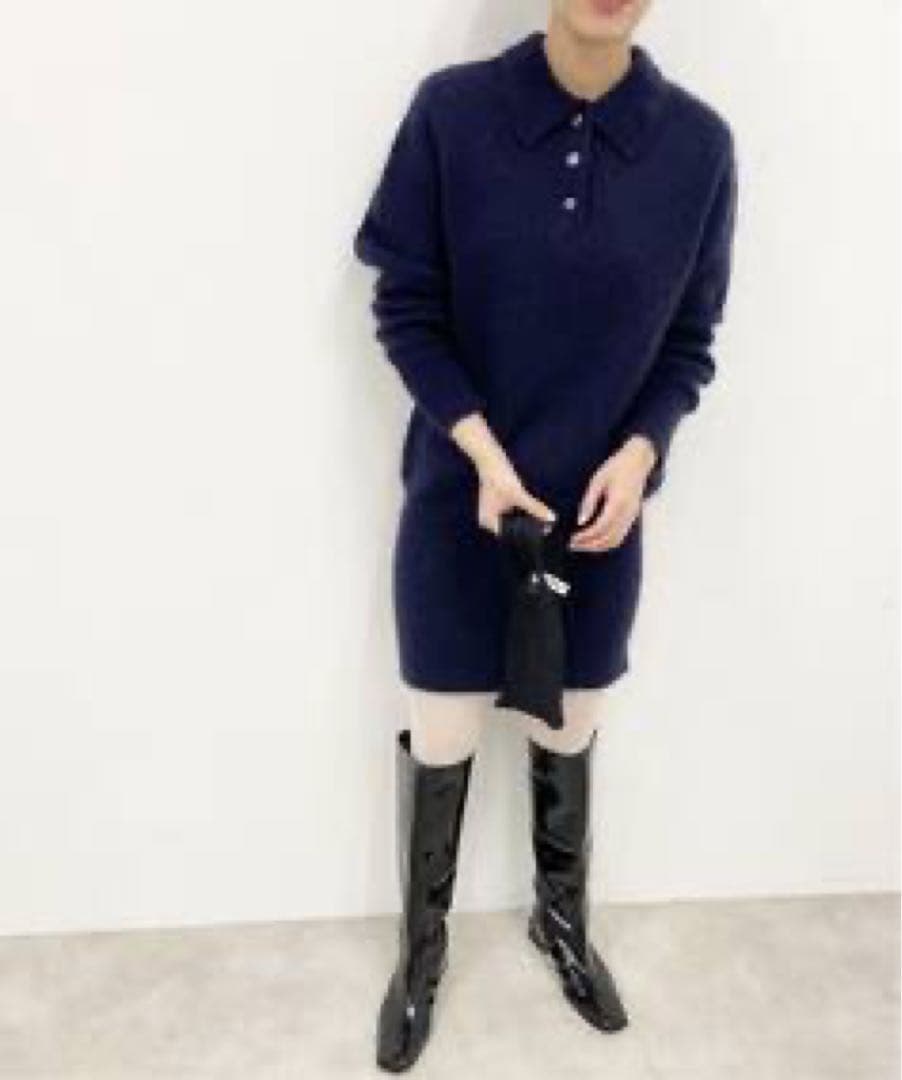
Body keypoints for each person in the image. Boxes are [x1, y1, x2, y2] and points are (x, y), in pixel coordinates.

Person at [353, 0, 738, 1071]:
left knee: (569, 731)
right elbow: (406, 306)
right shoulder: (452, 114)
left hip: (597, 523)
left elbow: (690, 342)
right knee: (442, 731)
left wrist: (641, 453)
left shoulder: (698, 148)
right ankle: (422, 950)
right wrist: (481, 454)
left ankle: (559, 921)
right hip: (460, 498)